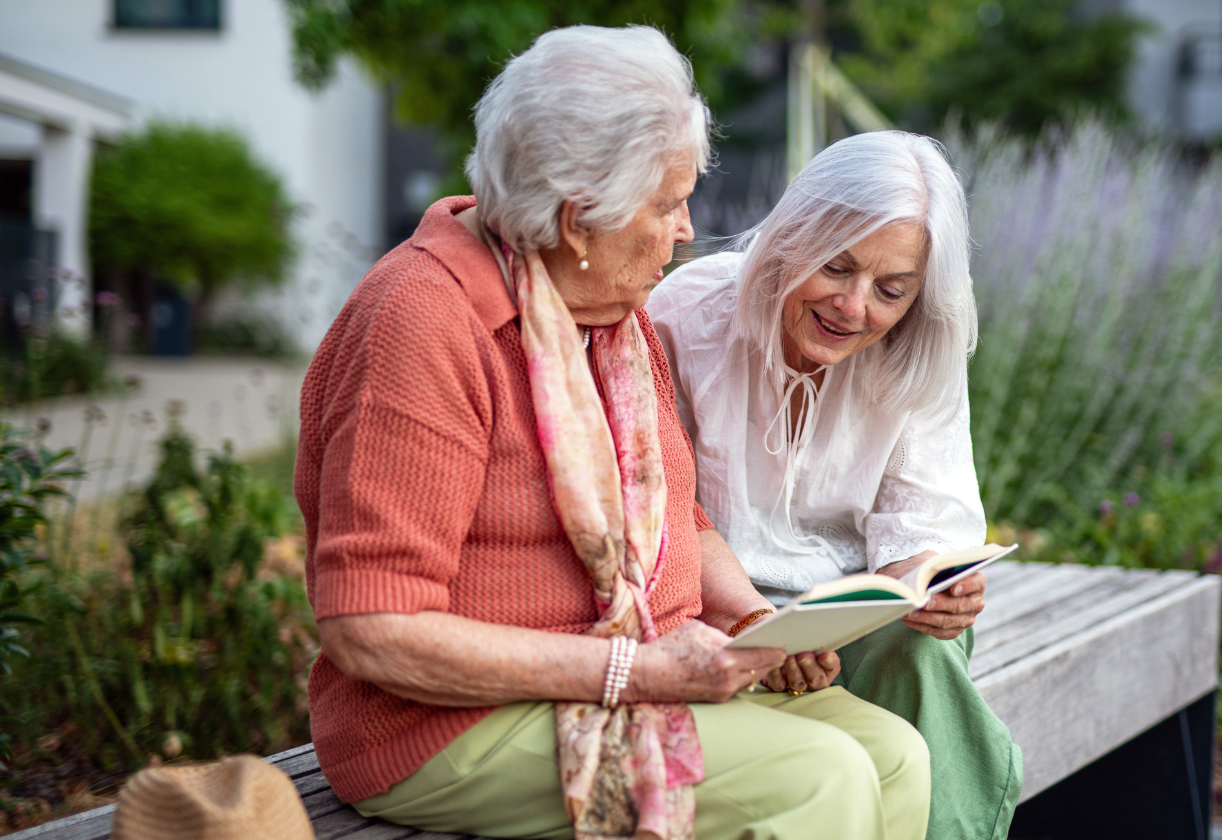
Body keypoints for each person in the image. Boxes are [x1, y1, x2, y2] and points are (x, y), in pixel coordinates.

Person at [295, 26, 929, 840]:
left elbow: (676, 520)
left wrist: (746, 620)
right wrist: (633, 670)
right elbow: (373, 629)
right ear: (578, 221)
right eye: (666, 204)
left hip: (642, 665)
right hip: (447, 727)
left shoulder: (610, 322)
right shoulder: (423, 324)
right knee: (819, 777)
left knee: (895, 755)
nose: (688, 230)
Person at [650, 131, 1023, 840]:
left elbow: (923, 525)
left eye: (890, 290)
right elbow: (663, 510)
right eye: (837, 268)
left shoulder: (922, 344)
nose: (854, 307)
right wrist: (750, 619)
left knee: (923, 648)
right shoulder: (688, 314)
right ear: (794, 236)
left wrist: (935, 583)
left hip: (853, 625)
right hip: (714, 619)